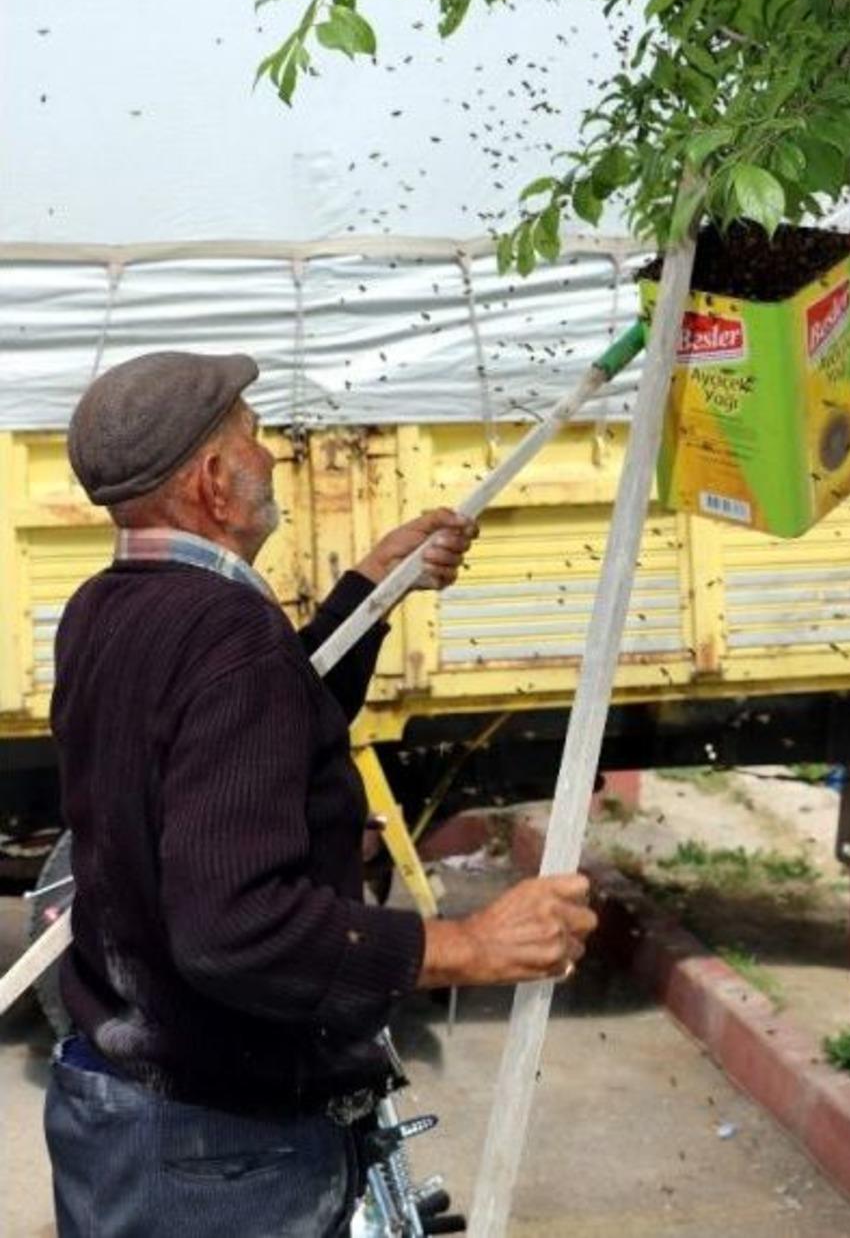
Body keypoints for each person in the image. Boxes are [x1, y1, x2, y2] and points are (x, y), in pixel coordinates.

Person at [46, 350, 596, 1238]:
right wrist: (467, 945)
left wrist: (371, 589)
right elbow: (236, 931)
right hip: (218, 1157)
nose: (269, 457)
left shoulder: (105, 608)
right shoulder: (226, 632)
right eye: (252, 437)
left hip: (128, 1117)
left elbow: (250, 744)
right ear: (213, 480)